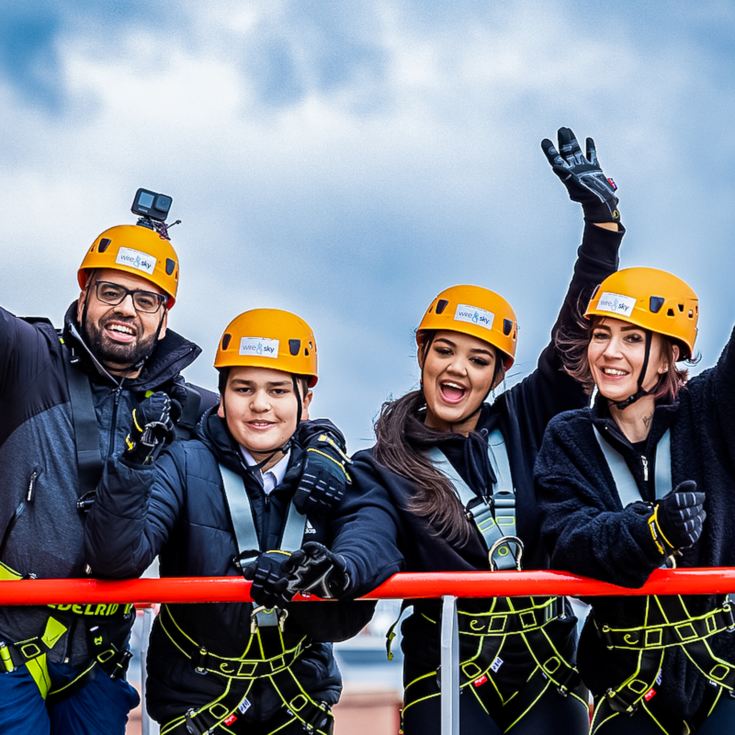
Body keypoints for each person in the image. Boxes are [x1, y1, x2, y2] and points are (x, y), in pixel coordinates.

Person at [280, 128, 624, 734]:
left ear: (499, 373)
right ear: (422, 353)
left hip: (545, 665)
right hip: (447, 671)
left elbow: (574, 337)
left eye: (478, 358)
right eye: (445, 350)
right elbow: (370, 537)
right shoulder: (380, 465)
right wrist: (340, 568)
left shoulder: (528, 420)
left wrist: (601, 228)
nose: (457, 369)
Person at [84, 308, 370, 735]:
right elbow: (114, 559)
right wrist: (135, 461)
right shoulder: (181, 463)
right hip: (199, 701)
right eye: (243, 388)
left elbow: (350, 615)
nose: (259, 404)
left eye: (277, 390)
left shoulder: (329, 475)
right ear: (221, 398)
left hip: (296, 701)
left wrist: (318, 580)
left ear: (305, 400)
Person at [0, 193, 217, 734]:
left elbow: (272, 417)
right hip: (5, 645)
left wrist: (325, 443)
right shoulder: (26, 357)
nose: (127, 309)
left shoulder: (186, 407)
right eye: (112, 291)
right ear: (83, 295)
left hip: (97, 659)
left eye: (147, 300)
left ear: (165, 318)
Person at [534, 265, 735, 733]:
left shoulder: (711, 410)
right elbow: (569, 539)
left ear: (667, 358)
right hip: (627, 678)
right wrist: (650, 532)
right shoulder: (569, 438)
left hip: (720, 667)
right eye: (601, 335)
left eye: (631, 339)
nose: (609, 352)